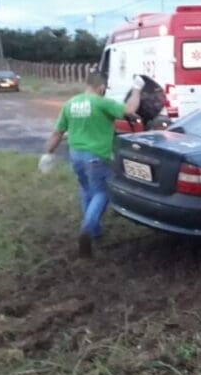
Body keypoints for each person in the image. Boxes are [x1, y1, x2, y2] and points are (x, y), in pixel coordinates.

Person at [40, 72, 143, 258]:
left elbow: (58, 132)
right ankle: (87, 229)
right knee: (102, 192)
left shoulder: (70, 103)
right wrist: (137, 88)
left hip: (76, 155)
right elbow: (130, 110)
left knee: (86, 190)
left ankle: (94, 231)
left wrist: (48, 153)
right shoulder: (102, 103)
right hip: (97, 156)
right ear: (102, 87)